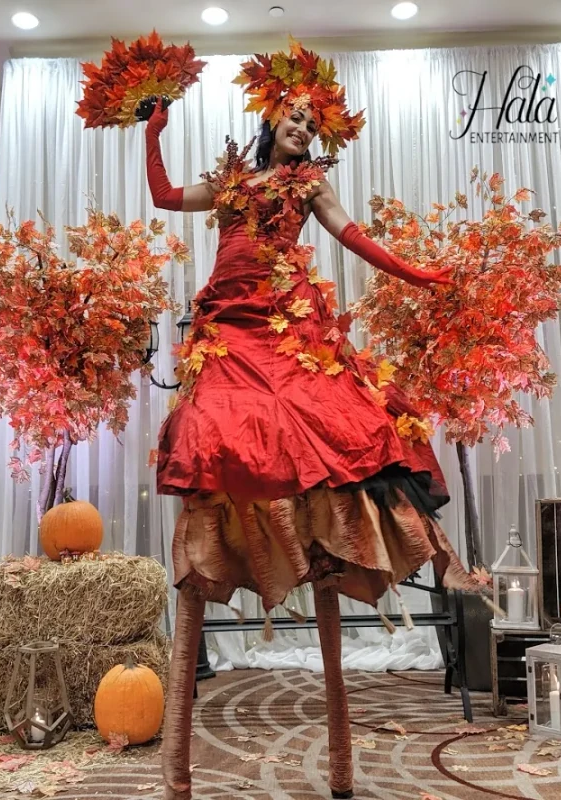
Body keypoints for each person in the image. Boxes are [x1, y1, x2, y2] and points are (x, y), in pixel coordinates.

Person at [146, 41, 475, 800]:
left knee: (331, 428)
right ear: (268, 118)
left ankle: (331, 550)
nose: (300, 123)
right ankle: (180, 763)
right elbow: (164, 196)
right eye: (291, 114)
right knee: (213, 437)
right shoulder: (230, 181)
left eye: (309, 118)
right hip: (228, 332)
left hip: (288, 330)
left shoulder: (308, 183)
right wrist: (154, 128)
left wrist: (417, 272)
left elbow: (352, 235)